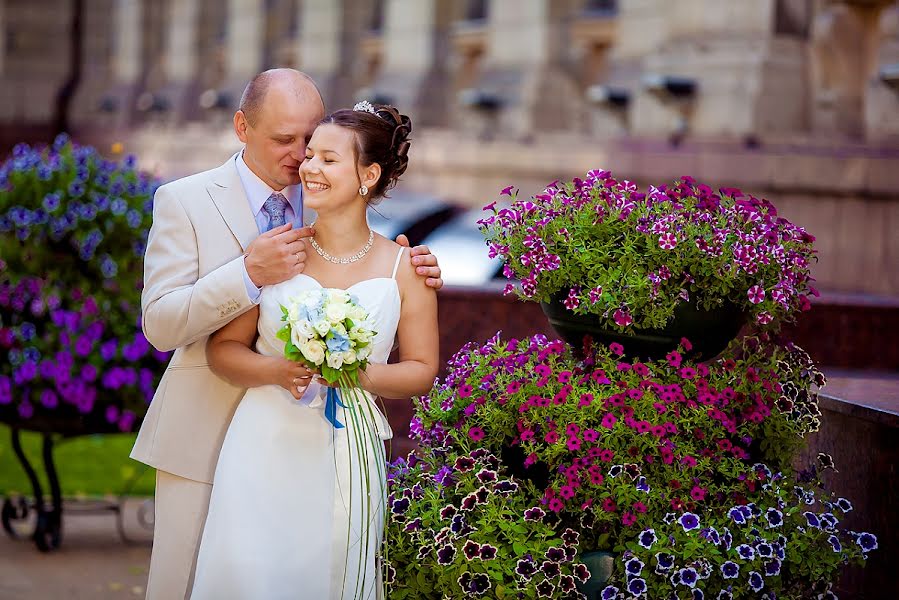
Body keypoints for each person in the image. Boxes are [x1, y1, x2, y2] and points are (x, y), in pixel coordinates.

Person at [130, 70, 443, 600]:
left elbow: (382, 285)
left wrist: (414, 271)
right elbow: (160, 326)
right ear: (242, 127)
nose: (301, 158)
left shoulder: (325, 195)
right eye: (284, 141)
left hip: (326, 444)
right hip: (202, 435)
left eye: (311, 140)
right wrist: (248, 274)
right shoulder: (183, 200)